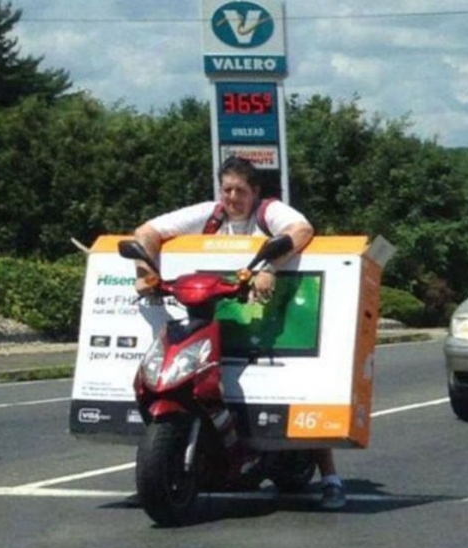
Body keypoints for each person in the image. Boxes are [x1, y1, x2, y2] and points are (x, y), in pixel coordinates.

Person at [132, 156, 346, 510]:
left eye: (240, 191)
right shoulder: (211, 215)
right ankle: (191, 460)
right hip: (218, 311)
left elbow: (301, 230)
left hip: (272, 310)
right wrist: (145, 272)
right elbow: (145, 233)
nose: (232, 198)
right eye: (227, 189)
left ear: (255, 191)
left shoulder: (268, 212)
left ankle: (330, 478)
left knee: (298, 387)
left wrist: (269, 268)